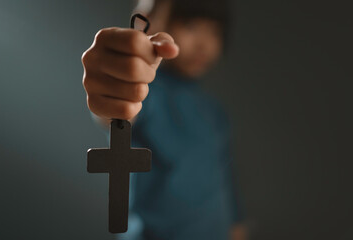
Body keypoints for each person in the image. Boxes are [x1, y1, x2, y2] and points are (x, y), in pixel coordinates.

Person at [81, 0, 246, 239]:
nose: (203, 43)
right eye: (190, 25)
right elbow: (118, 111)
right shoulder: (145, 92)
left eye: (214, 31)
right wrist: (114, 86)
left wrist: (237, 230)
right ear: (148, 18)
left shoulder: (214, 111)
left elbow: (227, 184)